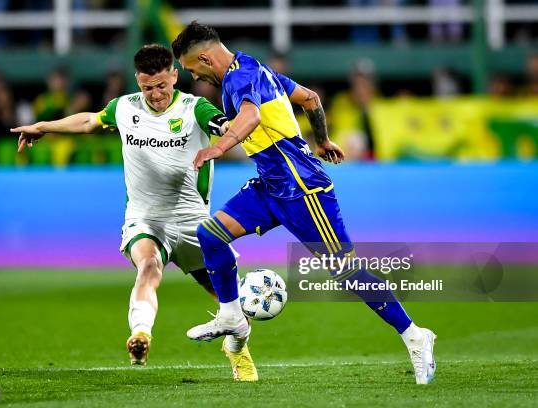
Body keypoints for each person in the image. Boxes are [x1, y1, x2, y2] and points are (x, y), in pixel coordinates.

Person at [172, 21, 437, 385]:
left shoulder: (238, 79)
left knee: (346, 271)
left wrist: (217, 147)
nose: (196, 78)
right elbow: (310, 98)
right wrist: (323, 140)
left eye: (192, 70)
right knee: (211, 235)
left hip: (303, 189)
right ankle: (232, 316)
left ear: (204, 57)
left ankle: (415, 336)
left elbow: (251, 116)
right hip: (271, 186)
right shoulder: (257, 69)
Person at [10, 44, 258, 381]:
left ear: (174, 75)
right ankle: (141, 335)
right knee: (149, 266)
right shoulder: (124, 108)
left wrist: (236, 130)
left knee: (228, 299)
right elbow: (89, 121)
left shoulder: (194, 107)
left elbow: (228, 127)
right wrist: (44, 127)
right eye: (147, 88)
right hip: (145, 218)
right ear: (137, 82)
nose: (155, 95)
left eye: (161, 86)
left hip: (193, 222)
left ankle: (237, 350)